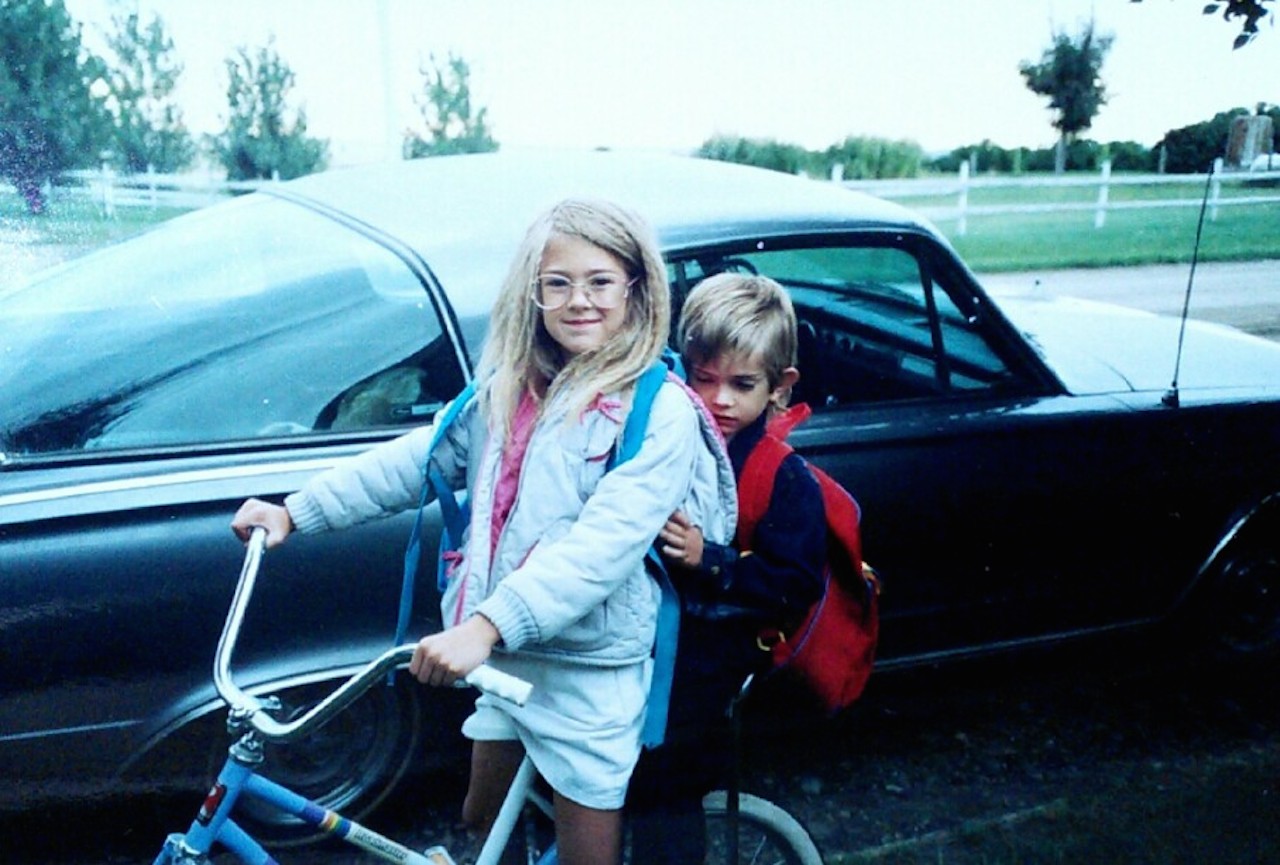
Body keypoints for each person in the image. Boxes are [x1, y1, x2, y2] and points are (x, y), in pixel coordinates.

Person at [231, 199, 735, 865]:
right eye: (557, 282)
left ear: (637, 290)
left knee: (592, 852)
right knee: (483, 820)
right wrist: (297, 512)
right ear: (533, 292)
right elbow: (419, 458)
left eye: (600, 281)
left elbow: (600, 549)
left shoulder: (658, 411)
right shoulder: (511, 388)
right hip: (506, 660)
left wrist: (484, 626)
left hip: (588, 671)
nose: (578, 300)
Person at [626, 272, 828, 863]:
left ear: (779, 386)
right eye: (703, 378)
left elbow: (796, 583)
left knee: (665, 794)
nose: (719, 400)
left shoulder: (783, 477)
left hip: (708, 667)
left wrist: (709, 561)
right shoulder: (669, 439)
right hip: (649, 645)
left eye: (743, 384)